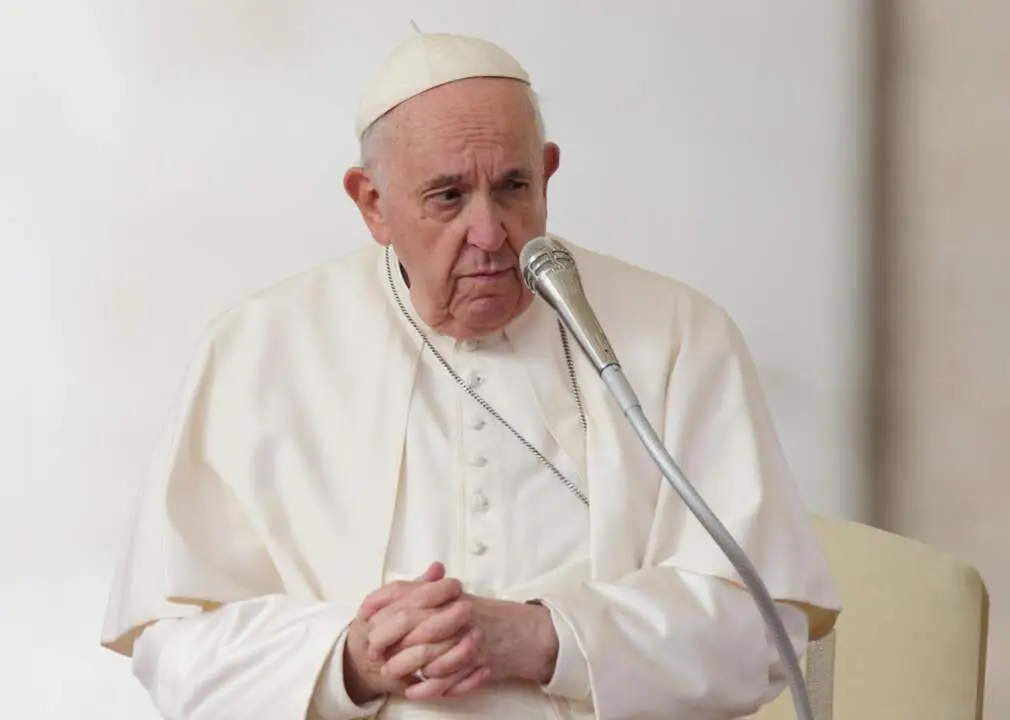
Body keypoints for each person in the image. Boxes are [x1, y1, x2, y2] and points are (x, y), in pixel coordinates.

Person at [101, 27, 841, 720]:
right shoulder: (259, 351)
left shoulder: (677, 336)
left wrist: (545, 638)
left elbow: (763, 625)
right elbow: (175, 645)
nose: (488, 234)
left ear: (548, 175)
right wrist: (348, 659)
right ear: (371, 204)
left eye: (514, 188)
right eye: (448, 197)